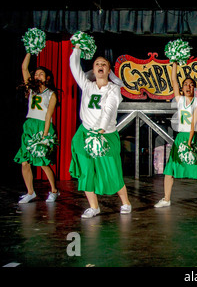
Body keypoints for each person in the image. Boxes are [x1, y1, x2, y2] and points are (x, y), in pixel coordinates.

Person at [69, 45, 131, 218]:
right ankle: (94, 207)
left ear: (108, 70)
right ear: (94, 69)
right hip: (85, 134)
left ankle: (126, 203)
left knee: (112, 170)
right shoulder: (87, 85)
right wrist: (78, 48)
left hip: (105, 135)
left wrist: (101, 130)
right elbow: (74, 66)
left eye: (103, 64)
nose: (100, 66)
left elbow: (109, 109)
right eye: (97, 64)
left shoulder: (113, 89)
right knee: (87, 170)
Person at [154, 61, 197, 207]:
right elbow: (174, 79)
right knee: (170, 169)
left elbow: (194, 122)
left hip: (195, 137)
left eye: (191, 84)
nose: (188, 86)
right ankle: (166, 199)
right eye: (186, 84)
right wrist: (174, 61)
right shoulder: (180, 100)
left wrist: (190, 140)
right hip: (182, 136)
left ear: (195, 88)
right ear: (182, 88)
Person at [14, 53, 60, 204]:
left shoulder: (51, 94)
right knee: (25, 161)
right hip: (30, 126)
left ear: (47, 78)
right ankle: (30, 192)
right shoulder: (31, 90)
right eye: (36, 73)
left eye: (41, 73)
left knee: (43, 162)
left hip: (43, 127)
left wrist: (45, 136)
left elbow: (48, 116)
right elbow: (24, 67)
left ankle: (54, 190)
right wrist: (29, 50)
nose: (38, 75)